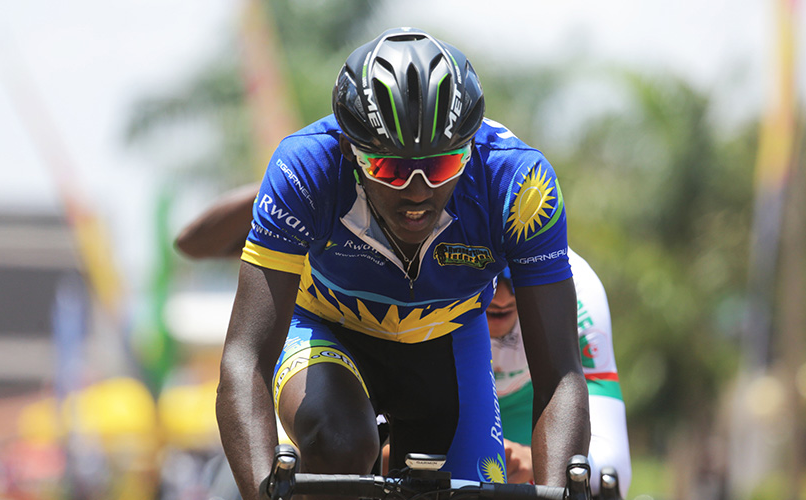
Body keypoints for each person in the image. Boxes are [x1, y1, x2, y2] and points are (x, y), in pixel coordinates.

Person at [212, 27, 589, 500]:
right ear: (351, 149)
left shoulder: (521, 186)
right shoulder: (305, 167)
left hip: (447, 340)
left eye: (440, 167)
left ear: (470, 148)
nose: (416, 192)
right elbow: (245, 359)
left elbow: (560, 376)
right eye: (390, 169)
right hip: (327, 326)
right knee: (339, 442)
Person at [490, 255, 631, 496]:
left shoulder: (580, 286)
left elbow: (613, 473)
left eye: (515, 278)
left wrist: (537, 461)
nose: (503, 297)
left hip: (540, 424)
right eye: (490, 278)